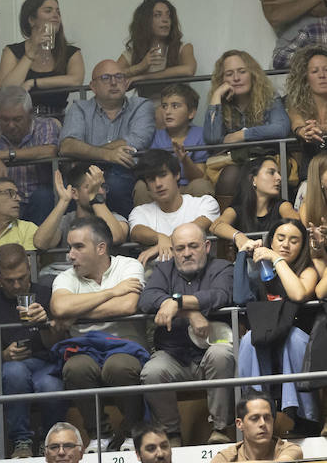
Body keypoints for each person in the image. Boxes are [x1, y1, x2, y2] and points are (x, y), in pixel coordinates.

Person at [51, 217, 147, 452]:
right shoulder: (65, 277)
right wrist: (112, 292)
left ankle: (131, 432)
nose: (70, 255)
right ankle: (98, 435)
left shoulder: (128, 266)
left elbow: (127, 306)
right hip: (84, 347)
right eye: (69, 247)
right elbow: (61, 308)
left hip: (126, 346)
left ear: (101, 248)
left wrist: (79, 312)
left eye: (78, 247)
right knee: (76, 368)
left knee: (118, 367)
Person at [135, 223, 235, 447]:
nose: (186, 253)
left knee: (221, 355)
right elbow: (147, 299)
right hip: (174, 355)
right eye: (180, 248)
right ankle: (171, 434)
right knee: (152, 371)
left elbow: (221, 295)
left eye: (193, 246)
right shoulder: (163, 270)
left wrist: (176, 302)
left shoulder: (221, 267)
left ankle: (220, 429)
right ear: (173, 250)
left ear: (207, 246)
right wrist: (191, 312)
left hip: (210, 351)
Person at [0, 244, 63, 460]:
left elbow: (60, 346)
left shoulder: (48, 295)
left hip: (46, 364)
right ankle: (21, 441)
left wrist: (45, 324)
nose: (17, 285)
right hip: (10, 368)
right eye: (9, 280)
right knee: (13, 371)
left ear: (29, 266)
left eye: (22, 278)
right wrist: (4, 355)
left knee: (49, 385)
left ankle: (51, 441)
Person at [240, 218, 319, 423]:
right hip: (265, 335)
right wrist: (243, 255)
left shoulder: (308, 270)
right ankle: (254, 409)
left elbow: (298, 294)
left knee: (292, 338)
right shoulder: (258, 267)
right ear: (271, 240)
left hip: (298, 339)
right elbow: (238, 297)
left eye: (294, 240)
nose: (285, 244)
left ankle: (303, 417)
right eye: (280, 238)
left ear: (302, 247)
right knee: (248, 340)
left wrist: (276, 258)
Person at [58, 60, 155, 216]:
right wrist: (107, 155)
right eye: (105, 77)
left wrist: (84, 153)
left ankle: (124, 235)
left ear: (127, 82)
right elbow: (67, 146)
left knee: (116, 184)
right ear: (93, 86)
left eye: (119, 76)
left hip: (125, 171)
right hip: (85, 173)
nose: (114, 82)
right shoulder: (79, 108)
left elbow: (138, 140)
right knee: (72, 188)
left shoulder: (141, 106)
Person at [202, 50, 291, 207]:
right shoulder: (221, 102)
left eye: (242, 72)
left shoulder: (269, 97)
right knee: (231, 173)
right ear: (222, 79)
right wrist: (217, 95)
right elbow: (212, 138)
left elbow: (281, 128)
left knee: (256, 173)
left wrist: (242, 135)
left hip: (268, 158)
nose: (236, 78)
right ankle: (225, 225)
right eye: (229, 74)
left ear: (252, 74)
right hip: (234, 161)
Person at [0, 86, 60, 223]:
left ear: (30, 114)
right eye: (4, 119)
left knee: (43, 196)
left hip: (36, 201)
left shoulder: (45, 125)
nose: (10, 125)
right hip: (1, 204)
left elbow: (49, 150)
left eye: (17, 119)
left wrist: (4, 155)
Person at [0, 0, 85, 119]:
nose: (55, 15)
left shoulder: (71, 52)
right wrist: (30, 53)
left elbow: (75, 81)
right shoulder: (13, 51)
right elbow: (6, 89)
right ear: (32, 20)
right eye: (48, 11)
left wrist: (34, 82)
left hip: (57, 119)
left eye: (58, 12)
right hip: (21, 121)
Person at [129, 150, 220, 265]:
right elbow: (136, 231)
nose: (158, 184)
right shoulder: (140, 212)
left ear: (177, 175)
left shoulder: (205, 203)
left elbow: (198, 226)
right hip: (156, 276)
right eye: (151, 179)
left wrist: (164, 244)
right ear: (146, 186)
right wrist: (159, 237)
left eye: (163, 175)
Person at [33, 161, 130, 254]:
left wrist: (94, 197)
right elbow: (40, 243)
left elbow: (115, 237)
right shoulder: (66, 220)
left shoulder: (116, 219)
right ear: (75, 193)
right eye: (91, 186)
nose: (100, 191)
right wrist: (63, 201)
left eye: (103, 186)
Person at [210, 155, 297, 254]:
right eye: (271, 172)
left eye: (278, 173)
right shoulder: (238, 209)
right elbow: (215, 226)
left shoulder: (282, 206)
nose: (279, 178)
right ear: (253, 180)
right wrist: (239, 237)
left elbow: (297, 226)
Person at [116, 0, 197, 95]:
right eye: (157, 15)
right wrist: (140, 67)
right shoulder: (133, 52)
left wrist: (144, 77)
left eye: (168, 15)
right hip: (145, 109)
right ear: (145, 21)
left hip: (175, 108)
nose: (165, 20)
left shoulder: (183, 48)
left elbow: (189, 70)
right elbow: (111, 76)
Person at [143, 83, 211, 199]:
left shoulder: (200, 135)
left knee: (201, 185)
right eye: (164, 106)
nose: (167, 111)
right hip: (161, 187)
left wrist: (185, 160)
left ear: (191, 113)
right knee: (141, 187)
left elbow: (199, 177)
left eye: (175, 106)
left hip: (188, 187)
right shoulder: (154, 136)